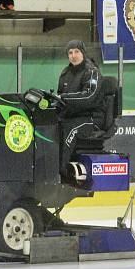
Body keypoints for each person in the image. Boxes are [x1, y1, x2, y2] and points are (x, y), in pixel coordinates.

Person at [53, 40, 106, 181]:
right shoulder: (65, 73)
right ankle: (50, 167)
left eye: (77, 51)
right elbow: (60, 98)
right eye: (70, 53)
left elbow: (88, 97)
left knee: (70, 129)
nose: (73, 55)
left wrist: (64, 98)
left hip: (91, 118)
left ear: (83, 52)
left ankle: (61, 172)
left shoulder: (92, 72)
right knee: (51, 127)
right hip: (72, 116)